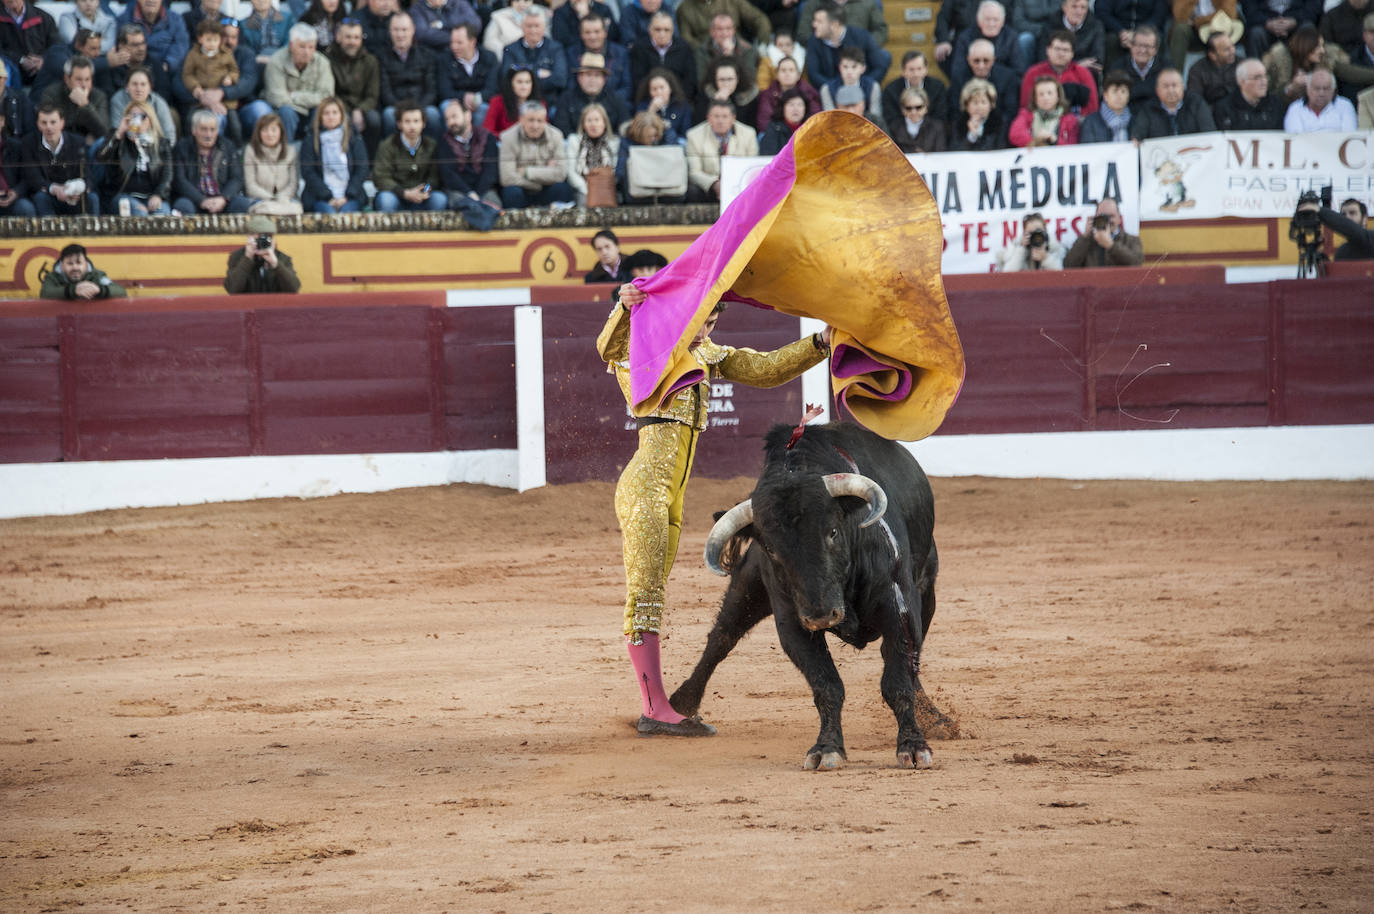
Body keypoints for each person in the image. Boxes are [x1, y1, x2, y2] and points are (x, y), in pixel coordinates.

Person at [596, 280, 829, 737]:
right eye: (701, 317)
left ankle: (656, 704)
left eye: (715, 319)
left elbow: (765, 368)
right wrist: (624, 308)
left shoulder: (707, 355)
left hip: (672, 495)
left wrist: (819, 343)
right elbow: (610, 346)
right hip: (645, 489)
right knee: (645, 597)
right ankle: (654, 709)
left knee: (652, 593)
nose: (708, 327)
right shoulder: (644, 350)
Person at [17, 103, 97, 215]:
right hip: (48, 194)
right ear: (38, 124)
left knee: (92, 198)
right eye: (44, 123)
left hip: (75, 194)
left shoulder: (78, 142)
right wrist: (54, 189)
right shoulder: (29, 143)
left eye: (53, 122)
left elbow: (88, 175)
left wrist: (75, 189)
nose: (48, 127)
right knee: (40, 198)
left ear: (62, 123)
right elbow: (32, 177)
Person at [98, 99, 173, 214]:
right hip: (124, 196)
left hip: (151, 197)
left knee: (162, 215)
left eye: (141, 116)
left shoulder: (161, 144)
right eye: (132, 115)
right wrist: (119, 133)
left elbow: (167, 175)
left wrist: (158, 195)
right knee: (140, 215)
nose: (136, 119)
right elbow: (100, 157)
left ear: (150, 120)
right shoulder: (119, 139)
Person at [262, 22, 335, 141]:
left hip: (311, 111)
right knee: (286, 111)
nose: (307, 52)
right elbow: (277, 98)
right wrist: (311, 99)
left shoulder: (323, 62)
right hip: (284, 112)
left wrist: (294, 95)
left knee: (323, 110)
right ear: (291, 45)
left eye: (311, 47)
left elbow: (327, 96)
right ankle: (286, 153)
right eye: (302, 46)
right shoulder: (277, 60)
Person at [170, 108, 251, 214]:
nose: (208, 135)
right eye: (204, 129)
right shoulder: (182, 147)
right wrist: (201, 200)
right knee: (182, 206)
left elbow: (237, 178)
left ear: (217, 131)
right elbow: (179, 180)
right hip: (194, 200)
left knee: (243, 204)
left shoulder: (228, 146)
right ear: (194, 130)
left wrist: (223, 198)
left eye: (212, 129)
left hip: (222, 200)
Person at [436, 100, 502, 226]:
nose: (451, 122)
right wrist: (469, 193)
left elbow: (491, 170)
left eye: (454, 116)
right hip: (458, 190)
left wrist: (478, 193)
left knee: (494, 207)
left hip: (485, 189)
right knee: (462, 208)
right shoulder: (443, 141)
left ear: (468, 115)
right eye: (447, 119)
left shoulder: (487, 137)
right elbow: (448, 174)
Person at [498, 101, 574, 209]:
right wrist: (541, 179)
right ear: (521, 120)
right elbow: (507, 178)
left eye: (540, 121)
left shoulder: (556, 135)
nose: (535, 125)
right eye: (531, 120)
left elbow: (561, 174)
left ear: (545, 120)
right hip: (522, 189)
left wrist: (527, 172)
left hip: (547, 189)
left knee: (563, 188)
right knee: (511, 192)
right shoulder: (507, 137)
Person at [373, 101, 447, 212]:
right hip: (397, 196)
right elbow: (381, 177)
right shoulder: (387, 145)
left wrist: (424, 191)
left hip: (422, 198)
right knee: (385, 200)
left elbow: (435, 177)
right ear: (399, 124)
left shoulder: (431, 145)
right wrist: (405, 193)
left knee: (439, 199)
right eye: (407, 121)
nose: (412, 126)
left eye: (416, 121)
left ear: (423, 123)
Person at [299, 95, 368, 213]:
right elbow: (308, 172)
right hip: (320, 197)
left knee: (346, 214)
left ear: (342, 115)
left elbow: (362, 169)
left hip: (349, 196)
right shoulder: (310, 140)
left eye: (335, 112)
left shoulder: (353, 138)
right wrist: (328, 197)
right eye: (326, 113)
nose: (331, 117)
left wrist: (346, 196)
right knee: (328, 214)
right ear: (320, 116)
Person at [325, 17, 381, 158]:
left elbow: (372, 95)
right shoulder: (328, 59)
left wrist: (360, 109)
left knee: (374, 120)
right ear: (339, 37)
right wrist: (344, 110)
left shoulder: (370, 61)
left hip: (362, 107)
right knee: (343, 120)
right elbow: (329, 93)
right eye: (348, 37)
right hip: (339, 106)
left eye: (356, 37)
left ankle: (370, 163)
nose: (352, 42)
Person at [685, 98, 757, 202]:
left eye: (725, 117)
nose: (720, 121)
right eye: (716, 116)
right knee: (693, 191)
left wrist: (731, 184)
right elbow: (694, 172)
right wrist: (715, 184)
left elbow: (751, 167)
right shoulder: (694, 135)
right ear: (708, 118)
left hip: (740, 184)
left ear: (733, 118)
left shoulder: (749, 134)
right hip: (710, 187)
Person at [379, 13, 440, 135]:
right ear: (390, 31)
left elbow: (431, 90)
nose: (400, 34)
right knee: (389, 115)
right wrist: (403, 110)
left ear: (412, 30)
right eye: (396, 30)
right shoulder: (381, 56)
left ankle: (432, 153)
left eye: (404, 29)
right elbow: (385, 91)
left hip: (422, 105)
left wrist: (417, 110)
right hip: (395, 106)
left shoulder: (426, 55)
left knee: (433, 115)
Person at [806, 3, 887, 89]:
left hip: (861, 91)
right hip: (830, 92)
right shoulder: (813, 41)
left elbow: (879, 66)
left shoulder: (861, 36)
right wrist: (833, 90)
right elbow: (813, 74)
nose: (814, 24)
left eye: (819, 21)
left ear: (834, 25)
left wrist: (863, 86)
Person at [1019, 29, 1099, 115]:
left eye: (1065, 50)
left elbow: (1092, 107)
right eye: (1057, 49)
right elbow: (1025, 105)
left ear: (1072, 54)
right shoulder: (1033, 73)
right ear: (1048, 50)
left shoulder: (1083, 73)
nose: (1061, 53)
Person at [493, 7, 569, 97]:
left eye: (537, 26)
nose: (533, 31)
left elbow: (560, 80)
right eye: (529, 26)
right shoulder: (510, 49)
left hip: (548, 100)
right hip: (518, 101)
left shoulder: (556, 48)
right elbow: (507, 78)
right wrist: (538, 72)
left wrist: (522, 80)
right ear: (521, 27)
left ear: (544, 27)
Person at [616, 109, 687, 203]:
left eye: (655, 136)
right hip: (638, 188)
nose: (653, 139)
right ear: (639, 134)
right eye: (649, 137)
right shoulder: (626, 142)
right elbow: (620, 170)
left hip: (667, 185)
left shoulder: (669, 137)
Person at [552, 51, 630, 136]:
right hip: (575, 144)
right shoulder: (567, 98)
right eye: (588, 75)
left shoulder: (616, 99)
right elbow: (561, 127)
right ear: (579, 78)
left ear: (604, 80)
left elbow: (623, 126)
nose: (592, 80)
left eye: (597, 75)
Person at [38, 54, 108, 147]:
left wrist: (85, 105)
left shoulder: (99, 96)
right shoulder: (51, 94)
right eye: (79, 79)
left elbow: (104, 131)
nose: (84, 85)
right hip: (61, 144)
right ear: (67, 79)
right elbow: (50, 126)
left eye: (87, 79)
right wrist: (80, 140)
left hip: (90, 146)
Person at [629, 11, 698, 104]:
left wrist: (680, 101)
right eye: (657, 29)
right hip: (648, 102)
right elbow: (637, 81)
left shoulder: (684, 48)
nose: (662, 34)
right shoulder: (639, 49)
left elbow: (690, 80)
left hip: (679, 103)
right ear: (650, 30)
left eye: (666, 30)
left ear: (673, 31)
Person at [950, 1, 1027, 83]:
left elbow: (1018, 71)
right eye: (987, 19)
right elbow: (958, 71)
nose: (991, 24)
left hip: (1002, 87)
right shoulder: (965, 38)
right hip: (972, 87)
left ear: (1002, 22)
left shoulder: (1011, 37)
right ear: (978, 20)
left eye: (995, 20)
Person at [947, 37, 1020, 124]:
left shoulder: (1008, 77)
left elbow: (1010, 112)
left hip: (998, 127)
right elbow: (955, 110)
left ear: (993, 60)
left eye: (986, 61)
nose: (981, 66)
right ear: (968, 60)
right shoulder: (959, 77)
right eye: (976, 61)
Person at [564, 11, 632, 105]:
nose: (592, 36)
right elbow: (570, 86)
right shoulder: (572, 53)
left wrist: (606, 102)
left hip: (614, 105)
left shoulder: (620, 53)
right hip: (580, 105)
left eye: (597, 31)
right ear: (581, 35)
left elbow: (626, 87)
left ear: (605, 33)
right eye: (587, 32)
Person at [1129, 66, 1216, 138]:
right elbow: (1138, 136)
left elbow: (1209, 133)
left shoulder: (1196, 103)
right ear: (1157, 90)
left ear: (1182, 87)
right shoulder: (1148, 109)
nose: (1171, 90)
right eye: (1166, 86)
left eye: (1174, 85)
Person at [182, 19, 240, 126]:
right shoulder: (193, 55)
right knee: (190, 120)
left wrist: (230, 77)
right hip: (201, 99)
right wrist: (195, 87)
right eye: (208, 40)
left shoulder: (226, 54)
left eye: (215, 40)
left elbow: (234, 70)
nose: (212, 44)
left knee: (235, 124)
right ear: (200, 39)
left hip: (224, 101)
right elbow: (187, 74)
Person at [224, 214, 301, 294]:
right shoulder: (237, 257)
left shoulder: (282, 258)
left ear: (273, 239)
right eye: (259, 237)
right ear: (249, 237)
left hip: (275, 305)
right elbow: (232, 289)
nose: (262, 241)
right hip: (247, 305)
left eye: (267, 237)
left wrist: (276, 264)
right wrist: (247, 259)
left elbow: (294, 289)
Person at [438, 21, 498, 124]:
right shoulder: (444, 59)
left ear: (472, 42)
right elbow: (445, 91)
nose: (454, 47)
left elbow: (492, 89)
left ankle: (480, 139)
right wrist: (464, 97)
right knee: (447, 107)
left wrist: (476, 98)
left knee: (484, 109)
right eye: (452, 42)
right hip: (455, 101)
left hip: (481, 101)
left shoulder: (489, 58)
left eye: (459, 43)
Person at [242, 111, 300, 214]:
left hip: (286, 199)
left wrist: (281, 197)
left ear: (280, 132)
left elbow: (293, 184)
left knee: (297, 209)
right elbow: (250, 185)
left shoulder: (291, 151)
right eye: (265, 130)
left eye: (274, 130)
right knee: (262, 210)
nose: (270, 134)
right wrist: (270, 198)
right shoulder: (250, 150)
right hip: (259, 199)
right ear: (258, 133)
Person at [565, 101, 620, 205]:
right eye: (589, 120)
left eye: (597, 120)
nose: (593, 124)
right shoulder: (574, 140)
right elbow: (571, 172)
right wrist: (587, 189)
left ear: (604, 123)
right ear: (583, 124)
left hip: (607, 186)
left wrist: (601, 187)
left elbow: (616, 170)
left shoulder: (614, 142)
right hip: (582, 187)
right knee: (583, 199)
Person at [693, 13, 760, 97]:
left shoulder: (747, 50)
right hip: (713, 95)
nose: (724, 33)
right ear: (712, 32)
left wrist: (732, 56)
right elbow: (702, 82)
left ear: (734, 30)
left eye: (728, 29)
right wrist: (722, 57)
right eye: (720, 29)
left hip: (740, 94)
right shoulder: (702, 51)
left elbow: (750, 80)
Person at [1064, 198, 1143, 268]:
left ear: (1119, 218)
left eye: (1111, 216)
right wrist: (1085, 237)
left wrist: (1111, 246)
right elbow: (1068, 265)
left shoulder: (1132, 240)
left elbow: (1137, 263)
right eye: (1103, 216)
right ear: (1095, 218)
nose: (1107, 221)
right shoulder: (1087, 241)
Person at [0, 0, 61, 88]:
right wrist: (21, 60)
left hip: (42, 74)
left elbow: (57, 47)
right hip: (11, 76)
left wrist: (43, 61)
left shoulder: (44, 18)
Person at [1213, 57, 1287, 128]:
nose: (1264, 82)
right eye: (1257, 77)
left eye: (1265, 76)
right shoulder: (1224, 109)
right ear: (1242, 81)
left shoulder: (1277, 105)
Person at [110, 65, 177, 143]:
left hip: (155, 150)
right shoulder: (118, 100)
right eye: (134, 84)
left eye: (143, 84)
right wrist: (136, 133)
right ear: (127, 87)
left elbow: (170, 136)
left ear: (150, 88)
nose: (139, 89)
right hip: (125, 149)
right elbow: (116, 130)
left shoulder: (159, 103)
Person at [1095, 0, 1169, 69]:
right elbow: (1102, 12)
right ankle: (1113, 78)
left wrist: (1136, 34)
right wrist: (1121, 31)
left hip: (1147, 30)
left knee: (1157, 39)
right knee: (1111, 40)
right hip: (1118, 30)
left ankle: (1156, 76)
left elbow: (1160, 14)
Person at [1009, 75, 1080, 146]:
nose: (1045, 98)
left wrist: (1054, 140)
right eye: (1041, 94)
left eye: (1050, 93)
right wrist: (1035, 142)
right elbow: (1015, 134)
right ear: (1035, 98)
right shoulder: (1026, 115)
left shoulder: (1070, 119)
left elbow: (1072, 146)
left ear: (1058, 96)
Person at [40, 243, 127, 299]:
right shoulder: (52, 277)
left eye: (79, 263)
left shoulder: (97, 275)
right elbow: (45, 293)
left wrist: (100, 290)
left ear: (86, 264)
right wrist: (73, 291)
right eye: (70, 263)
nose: (75, 267)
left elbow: (121, 291)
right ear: (62, 266)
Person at [1283, 66, 1358, 131]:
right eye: (1317, 88)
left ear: (1333, 90)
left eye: (1326, 88)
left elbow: (1349, 137)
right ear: (1308, 89)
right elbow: (1295, 140)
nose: (1321, 93)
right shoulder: (1295, 108)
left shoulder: (1345, 105)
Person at [1297, 197, 1372, 260]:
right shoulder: (1342, 251)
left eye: (1352, 213)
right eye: (1343, 214)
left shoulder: (1371, 238)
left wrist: (1320, 211)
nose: (1347, 217)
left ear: (1364, 219)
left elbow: (1357, 233)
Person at [756, 55, 819, 131]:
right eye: (783, 70)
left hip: (803, 133)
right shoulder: (768, 94)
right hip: (776, 133)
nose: (787, 74)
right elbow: (763, 121)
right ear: (777, 75)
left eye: (791, 70)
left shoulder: (808, 92)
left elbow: (816, 118)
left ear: (798, 75)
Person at [1241, 0, 1321, 60]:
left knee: (1307, 29)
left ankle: (1306, 74)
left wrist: (1295, 20)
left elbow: (1313, 8)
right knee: (1256, 33)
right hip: (1265, 23)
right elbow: (1250, 10)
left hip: (1297, 22)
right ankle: (1256, 74)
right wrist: (1267, 23)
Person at [818, 45, 882, 118]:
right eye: (845, 67)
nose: (849, 71)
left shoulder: (873, 87)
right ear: (839, 68)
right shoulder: (827, 89)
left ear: (863, 68)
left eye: (854, 67)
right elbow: (829, 118)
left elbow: (875, 117)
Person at [675, 0, 771, 47]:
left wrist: (762, 45)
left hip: (737, 48)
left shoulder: (732, 1)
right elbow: (686, 37)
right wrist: (708, 49)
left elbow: (759, 19)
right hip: (704, 54)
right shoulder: (684, 8)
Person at [694, 57, 758, 127]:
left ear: (738, 79)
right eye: (721, 80)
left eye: (730, 79)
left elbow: (752, 127)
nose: (726, 84)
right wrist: (714, 103)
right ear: (715, 80)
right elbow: (698, 125)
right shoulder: (705, 95)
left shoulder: (749, 96)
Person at [995, 211, 1067, 271]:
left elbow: (1060, 273)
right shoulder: (1015, 247)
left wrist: (1045, 258)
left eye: (1038, 232)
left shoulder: (1054, 247)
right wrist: (1021, 249)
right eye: (1031, 233)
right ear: (1024, 233)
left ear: (1045, 231)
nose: (1035, 236)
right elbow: (1008, 273)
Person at [635, 67, 694, 141]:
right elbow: (638, 133)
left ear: (670, 88)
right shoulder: (643, 106)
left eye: (662, 88)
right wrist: (651, 111)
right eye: (654, 89)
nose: (659, 92)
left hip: (675, 145)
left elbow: (685, 133)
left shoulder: (682, 106)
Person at [483, 65, 544, 134]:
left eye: (527, 82)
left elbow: (544, 130)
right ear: (510, 84)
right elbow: (487, 131)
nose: (524, 87)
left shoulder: (539, 103)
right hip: (503, 142)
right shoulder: (497, 102)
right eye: (519, 82)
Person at [949, 76, 1005, 149]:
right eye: (975, 103)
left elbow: (1000, 149)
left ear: (991, 105)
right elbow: (954, 152)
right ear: (966, 106)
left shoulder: (999, 124)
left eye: (983, 102)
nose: (979, 107)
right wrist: (971, 136)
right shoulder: (958, 125)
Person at [1186, 29, 1239, 106]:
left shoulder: (1242, 64)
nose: (1233, 51)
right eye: (1226, 49)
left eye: (1232, 46)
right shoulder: (1197, 70)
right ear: (1212, 55)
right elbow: (1195, 101)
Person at [1078, 70, 1134, 142]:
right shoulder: (1091, 122)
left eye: (1123, 91)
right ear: (1105, 95)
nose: (1119, 96)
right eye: (1114, 91)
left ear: (1128, 96)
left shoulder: (1135, 121)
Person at [0, 109, 36, 216]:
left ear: (2, 121)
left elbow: (28, 176)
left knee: (25, 208)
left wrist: (16, 192)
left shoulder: (16, 146)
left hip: (13, 198)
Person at [887, 86, 946, 152]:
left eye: (918, 107)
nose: (913, 112)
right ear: (902, 109)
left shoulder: (937, 127)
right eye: (908, 108)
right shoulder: (894, 127)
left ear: (926, 107)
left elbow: (940, 154)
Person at [1123, 23, 1170, 103]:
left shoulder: (1167, 68)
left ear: (1156, 50)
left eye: (1147, 46)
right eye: (1138, 45)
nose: (1142, 50)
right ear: (1131, 46)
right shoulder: (1119, 68)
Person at [411, 0, 481, 52]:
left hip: (464, 51)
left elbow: (475, 24)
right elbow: (422, 35)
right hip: (434, 53)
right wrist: (459, 38)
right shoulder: (417, 9)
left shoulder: (459, 3)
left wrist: (442, 24)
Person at [758, 86, 811, 153]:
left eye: (800, 105)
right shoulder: (774, 128)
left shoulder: (811, 129)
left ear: (805, 109)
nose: (795, 109)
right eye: (791, 105)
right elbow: (768, 155)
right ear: (783, 108)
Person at [241, 0, 292, 65]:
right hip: (257, 63)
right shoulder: (243, 24)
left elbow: (289, 43)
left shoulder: (287, 18)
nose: (261, 1)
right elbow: (246, 50)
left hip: (283, 61)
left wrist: (276, 59)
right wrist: (257, 58)